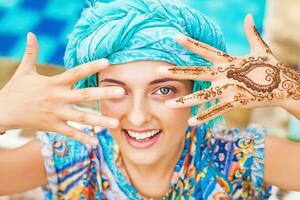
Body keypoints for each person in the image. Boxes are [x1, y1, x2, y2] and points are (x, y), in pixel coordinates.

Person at [0, 0, 299, 199]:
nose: (139, 116)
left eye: (163, 90)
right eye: (117, 91)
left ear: (196, 91)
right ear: (94, 92)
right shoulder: (70, 155)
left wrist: (289, 90)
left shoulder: (240, 157)